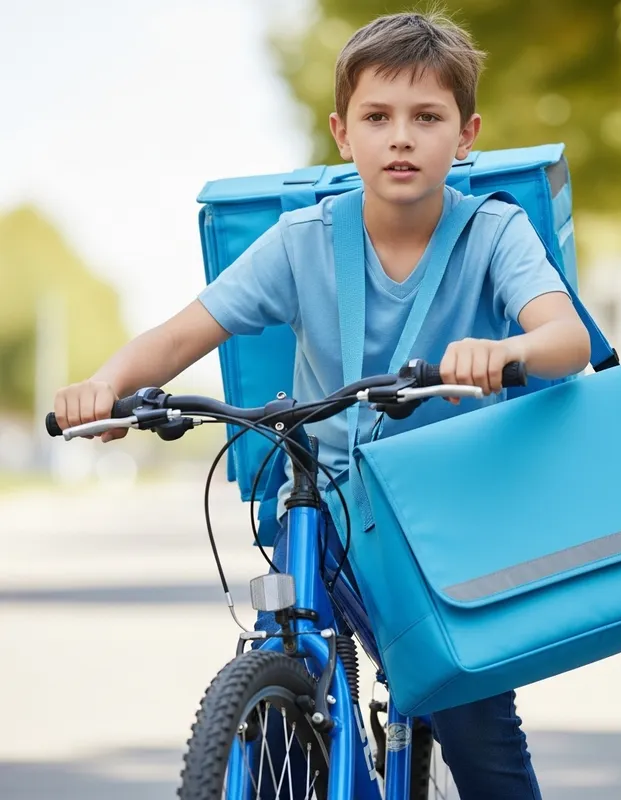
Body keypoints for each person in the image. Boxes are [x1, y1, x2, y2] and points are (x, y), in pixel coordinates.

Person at [53, 10, 590, 799]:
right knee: (283, 680)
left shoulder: (493, 233)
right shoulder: (303, 241)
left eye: (426, 117)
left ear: (466, 135)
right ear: (343, 132)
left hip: (448, 520)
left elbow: (566, 338)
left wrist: (509, 350)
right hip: (325, 504)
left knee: (478, 728)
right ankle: (294, 712)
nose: (400, 137)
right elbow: (177, 338)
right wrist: (106, 384)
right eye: (377, 117)